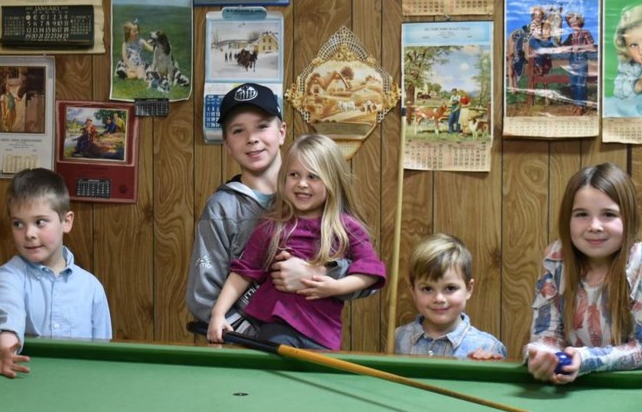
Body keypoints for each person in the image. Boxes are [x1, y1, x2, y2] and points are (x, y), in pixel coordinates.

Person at [186, 84, 362, 335]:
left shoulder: (316, 194)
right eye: (238, 130)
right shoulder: (222, 209)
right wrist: (256, 338)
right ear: (227, 144)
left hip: (314, 336)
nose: (252, 138)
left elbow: (367, 274)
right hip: (246, 348)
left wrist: (317, 273)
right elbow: (202, 297)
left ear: (281, 132)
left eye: (262, 126)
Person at [207, 134, 386, 350]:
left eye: (313, 176)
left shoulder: (346, 228)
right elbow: (243, 272)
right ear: (283, 178)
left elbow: (371, 272)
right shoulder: (272, 226)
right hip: (276, 329)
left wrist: (336, 287)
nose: (302, 184)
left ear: (333, 181)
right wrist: (218, 314)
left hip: (324, 335)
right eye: (294, 174)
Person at [525, 163, 642, 384]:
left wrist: (584, 358)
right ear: (567, 219)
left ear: (628, 218)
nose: (594, 226)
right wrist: (541, 355)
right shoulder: (556, 258)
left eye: (608, 214)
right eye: (581, 214)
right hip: (578, 385)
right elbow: (545, 334)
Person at [0, 168, 112, 378]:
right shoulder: (8, 276)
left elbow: (103, 353)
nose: (29, 234)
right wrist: (6, 351)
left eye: (39, 222)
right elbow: (9, 315)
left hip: (77, 384)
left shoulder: (91, 287)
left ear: (66, 222)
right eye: (18, 224)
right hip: (22, 382)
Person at [395, 234, 505, 359]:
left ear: (469, 289)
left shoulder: (488, 347)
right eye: (427, 289)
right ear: (413, 290)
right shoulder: (398, 338)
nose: (439, 299)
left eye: (450, 288)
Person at [561, 11, 596, 112]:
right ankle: (577, 104)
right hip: (572, 58)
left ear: (579, 22)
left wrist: (580, 48)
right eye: (571, 24)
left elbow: (591, 46)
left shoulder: (585, 32)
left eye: (575, 23)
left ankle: (581, 106)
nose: (573, 25)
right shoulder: (571, 36)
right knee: (573, 83)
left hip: (581, 58)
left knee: (581, 83)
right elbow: (563, 46)